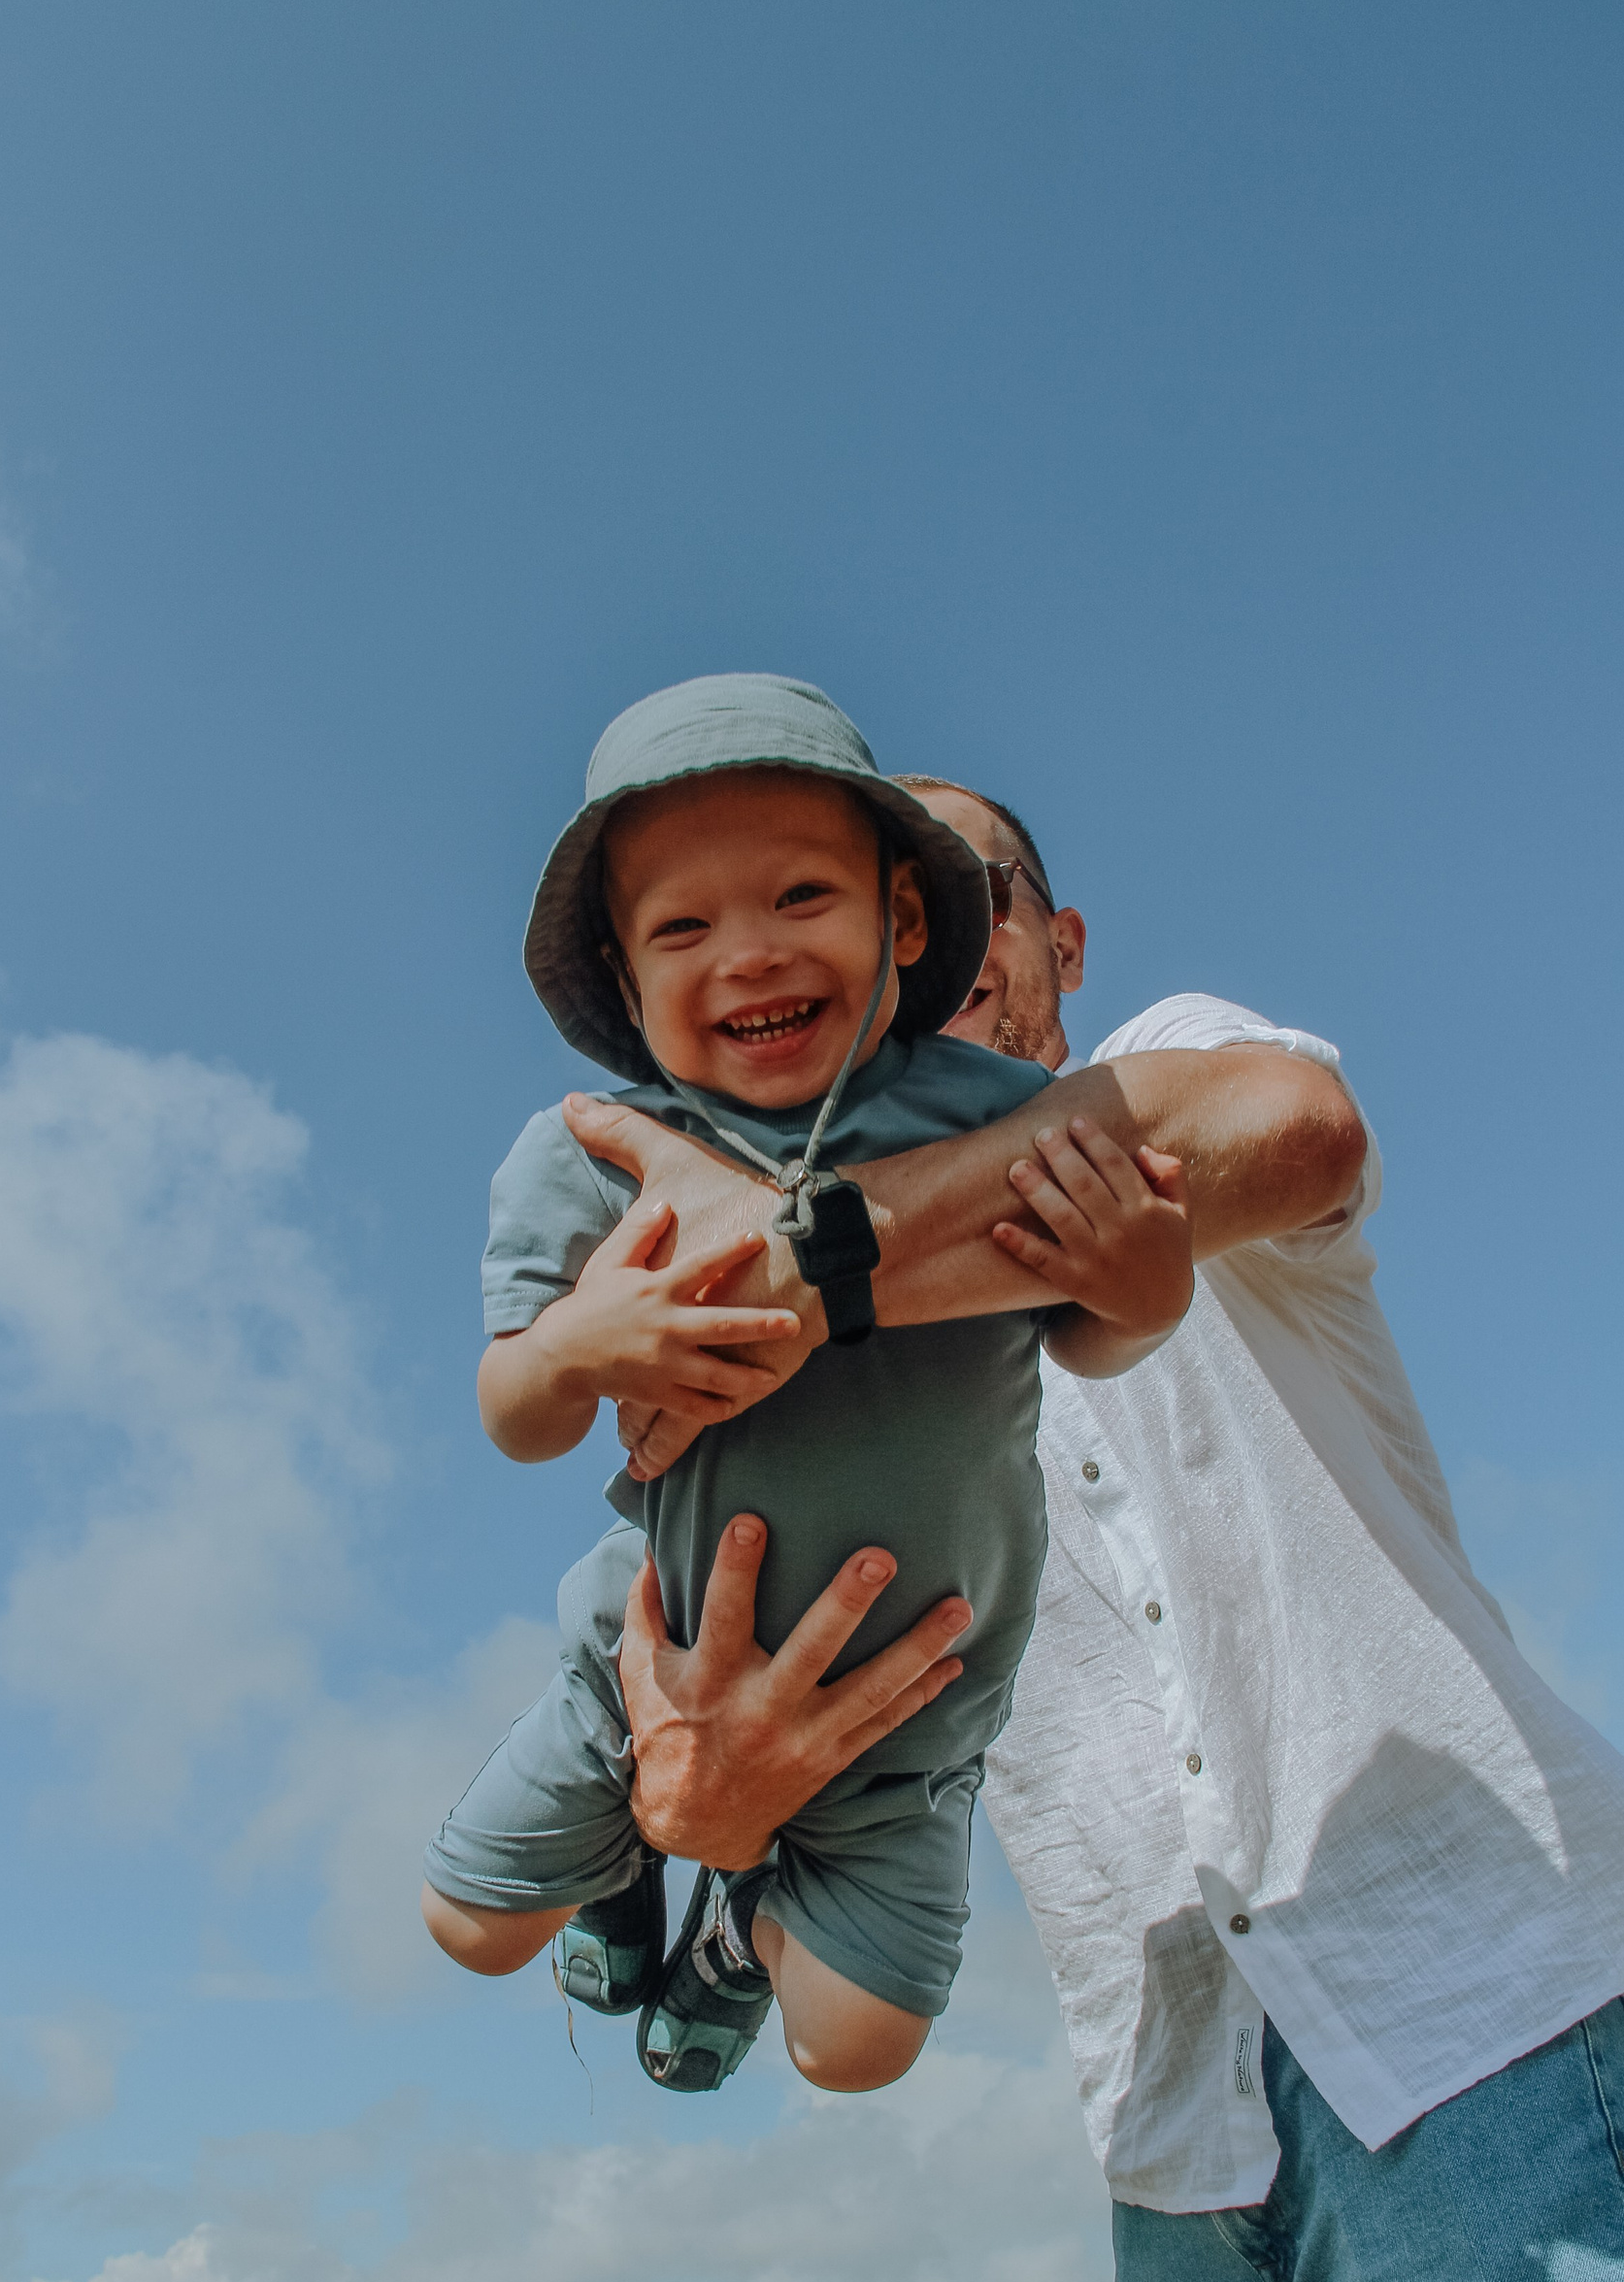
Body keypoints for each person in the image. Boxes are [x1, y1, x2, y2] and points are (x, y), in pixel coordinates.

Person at [556, 781, 1624, 2282]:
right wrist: (717, 1822)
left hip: (1478, 1999)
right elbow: (816, 1791)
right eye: (883, 920)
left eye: (964, 898)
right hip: (1173, 2147)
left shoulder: (1159, 1064)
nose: (925, 949)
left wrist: (804, 1259)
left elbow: (1292, 1125)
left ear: (1060, 945)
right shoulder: (832, 1425)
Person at [421, 676, 1193, 2099]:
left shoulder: (990, 1119)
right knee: (469, 1930)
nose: (750, 953)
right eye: (683, 929)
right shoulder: (593, 1153)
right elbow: (514, 1409)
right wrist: (577, 1349)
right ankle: (626, 1847)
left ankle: (736, 1935)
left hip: (913, 1722)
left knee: (854, 2053)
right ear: (625, 978)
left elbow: (1087, 1335)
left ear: (903, 923)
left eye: (799, 897)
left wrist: (1149, 1284)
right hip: (653, 1662)